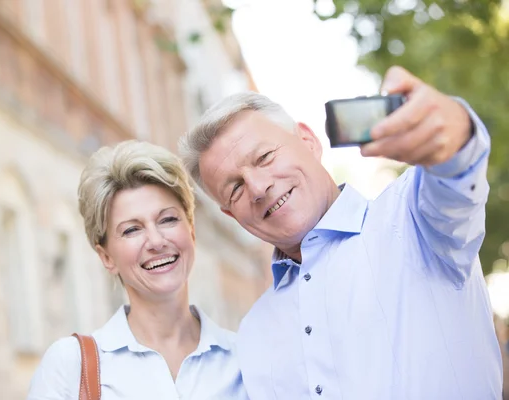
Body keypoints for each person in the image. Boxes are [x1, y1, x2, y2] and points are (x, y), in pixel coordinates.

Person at [178, 66, 503, 399]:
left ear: (308, 140)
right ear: (231, 215)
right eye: (235, 188)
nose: (258, 188)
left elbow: (457, 179)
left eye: (264, 157)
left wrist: (454, 131)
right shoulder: (253, 335)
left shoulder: (416, 219)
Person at [27, 140, 247, 399]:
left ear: (191, 231)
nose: (156, 241)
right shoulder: (70, 367)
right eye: (132, 229)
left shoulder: (245, 358)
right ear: (106, 257)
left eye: (167, 219)